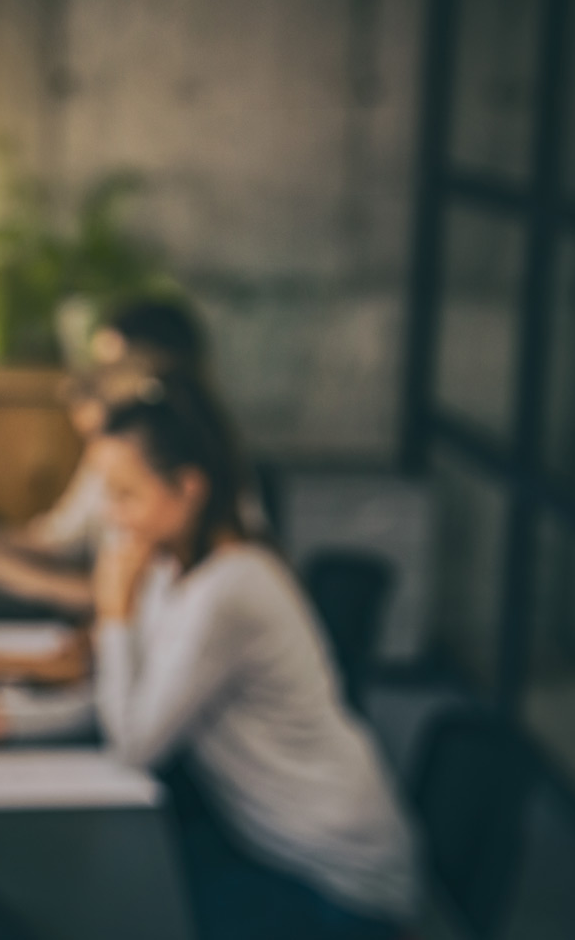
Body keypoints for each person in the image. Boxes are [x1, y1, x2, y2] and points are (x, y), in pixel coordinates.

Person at [89, 376, 416, 940]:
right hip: (270, 848)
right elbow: (131, 690)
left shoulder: (230, 589)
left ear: (187, 488)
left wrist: (113, 616)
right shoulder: (173, 568)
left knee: (122, 912)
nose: (113, 517)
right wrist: (7, 721)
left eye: (126, 495)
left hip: (340, 886)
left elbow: (134, 745)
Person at [0, 298, 211, 612]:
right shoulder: (115, 450)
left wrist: (5, 571)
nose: (98, 381)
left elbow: (126, 599)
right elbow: (62, 542)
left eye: (112, 369)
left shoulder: (173, 471)